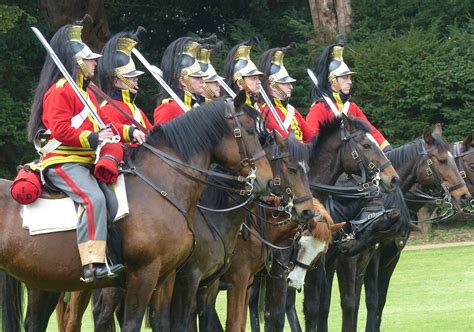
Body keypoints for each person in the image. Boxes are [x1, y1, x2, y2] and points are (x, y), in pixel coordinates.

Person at [27, 23, 123, 283]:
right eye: (89, 60)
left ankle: (110, 254)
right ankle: (91, 264)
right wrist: (93, 138)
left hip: (84, 163)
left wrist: (129, 133)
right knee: (94, 199)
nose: (94, 64)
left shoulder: (86, 93)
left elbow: (106, 124)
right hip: (63, 161)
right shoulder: (59, 91)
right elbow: (58, 129)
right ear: (77, 63)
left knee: (112, 202)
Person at [305, 35, 392, 152]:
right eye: (345, 78)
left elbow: (370, 130)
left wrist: (386, 147)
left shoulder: (351, 107)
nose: (350, 82)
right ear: (333, 80)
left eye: (349, 77)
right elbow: (311, 140)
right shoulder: (319, 108)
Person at [97, 29, 152, 143]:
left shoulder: (136, 110)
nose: (135, 78)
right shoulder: (108, 108)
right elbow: (113, 135)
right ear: (116, 81)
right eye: (129, 76)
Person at [258, 45, 312, 142]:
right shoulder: (264, 110)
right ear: (273, 86)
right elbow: (283, 139)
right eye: (285, 84)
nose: (291, 87)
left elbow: (310, 136)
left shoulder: (291, 110)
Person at [153, 37, 207, 125]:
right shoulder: (168, 109)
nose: (202, 80)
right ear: (183, 81)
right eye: (196, 77)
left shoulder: (195, 107)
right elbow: (160, 138)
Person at [223, 40, 263, 109]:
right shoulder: (229, 108)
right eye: (253, 78)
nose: (259, 82)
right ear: (240, 83)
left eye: (258, 78)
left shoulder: (256, 106)